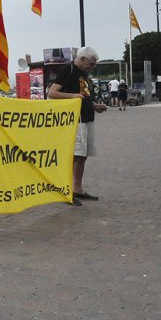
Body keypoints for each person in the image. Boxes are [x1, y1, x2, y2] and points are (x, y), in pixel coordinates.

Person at [49, 46, 107, 205]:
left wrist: (94, 105)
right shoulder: (68, 70)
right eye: (90, 64)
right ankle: (66, 189)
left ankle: (77, 188)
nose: (92, 67)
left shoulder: (83, 73)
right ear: (82, 59)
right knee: (74, 155)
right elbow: (52, 93)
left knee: (83, 155)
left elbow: (84, 95)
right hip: (76, 120)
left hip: (88, 117)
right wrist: (72, 96)